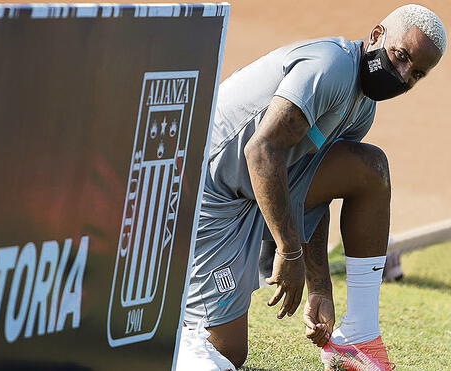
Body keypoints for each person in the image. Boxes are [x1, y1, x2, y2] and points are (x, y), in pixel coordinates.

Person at [177, 4, 446, 370]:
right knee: (226, 355)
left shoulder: (364, 106)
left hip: (254, 191)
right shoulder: (330, 66)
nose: (402, 76)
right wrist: (290, 252)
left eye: (416, 74)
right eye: (400, 57)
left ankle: (360, 335)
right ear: (377, 36)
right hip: (206, 194)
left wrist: (320, 287)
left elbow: (305, 191)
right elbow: (261, 150)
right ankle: (175, 330)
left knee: (369, 168)